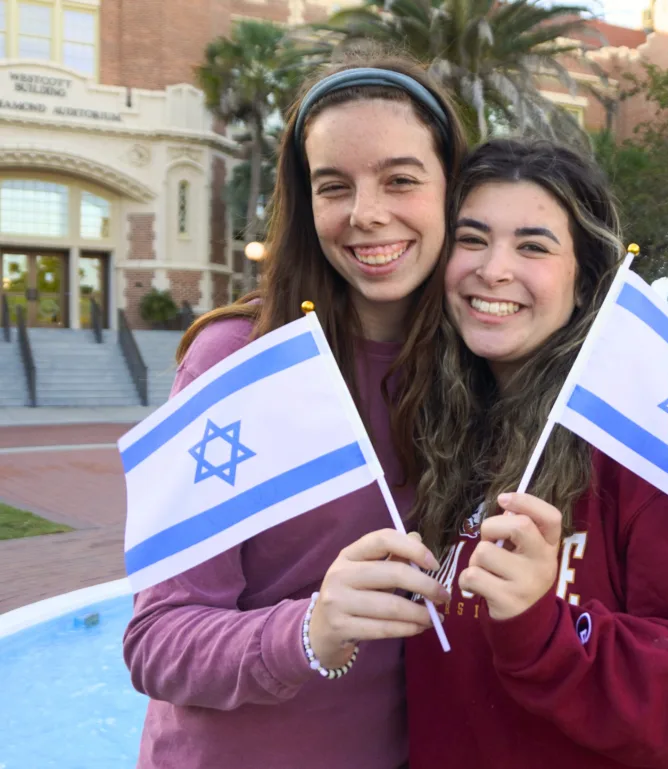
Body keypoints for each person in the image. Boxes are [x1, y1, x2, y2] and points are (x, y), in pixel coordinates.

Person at [406, 138, 668, 769]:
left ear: (586, 277)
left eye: (533, 245)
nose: (493, 269)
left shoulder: (661, 434)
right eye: (472, 238)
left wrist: (550, 633)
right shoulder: (437, 428)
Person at [122, 55, 465, 769]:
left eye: (400, 179)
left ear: (452, 190)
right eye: (334, 186)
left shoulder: (480, 365)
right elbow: (156, 640)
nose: (366, 212)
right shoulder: (236, 359)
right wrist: (309, 629)